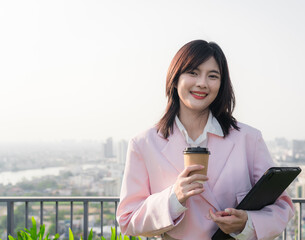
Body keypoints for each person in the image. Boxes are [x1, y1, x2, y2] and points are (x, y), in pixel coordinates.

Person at [116, 40, 294, 240]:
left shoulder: (248, 139)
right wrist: (174, 197)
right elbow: (127, 220)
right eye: (193, 73)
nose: (202, 83)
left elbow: (282, 208)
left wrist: (247, 223)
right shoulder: (144, 144)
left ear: (221, 84)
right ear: (175, 78)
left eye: (212, 76)